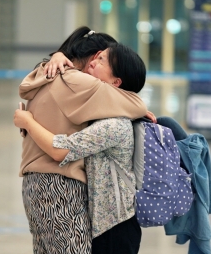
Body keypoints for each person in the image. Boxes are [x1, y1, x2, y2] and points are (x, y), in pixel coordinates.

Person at [13, 27, 147, 254]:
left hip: (33, 186)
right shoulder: (78, 82)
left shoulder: (47, 74)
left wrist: (57, 56)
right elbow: (137, 104)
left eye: (103, 60)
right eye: (98, 57)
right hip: (60, 186)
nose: (95, 63)